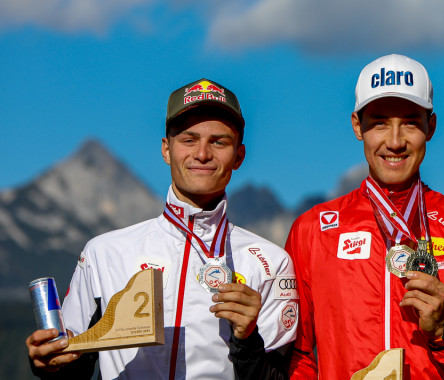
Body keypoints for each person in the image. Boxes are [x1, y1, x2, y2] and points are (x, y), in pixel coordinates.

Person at [26, 78, 297, 379]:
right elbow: (70, 369)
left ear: (239, 156)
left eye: (219, 141)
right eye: (189, 140)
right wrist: (47, 363)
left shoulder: (271, 263)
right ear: (166, 149)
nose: (203, 154)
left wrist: (248, 340)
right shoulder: (103, 253)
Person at [285, 54, 444, 379]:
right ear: (357, 126)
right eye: (379, 122)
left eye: (410, 122)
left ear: (431, 127)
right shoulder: (313, 230)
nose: (395, 142)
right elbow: (296, 358)